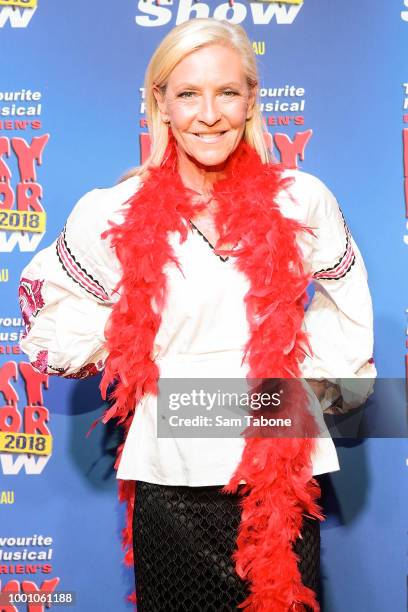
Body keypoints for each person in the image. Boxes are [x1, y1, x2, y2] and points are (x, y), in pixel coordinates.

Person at [18, 18, 375, 612]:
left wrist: (309, 387)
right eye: (188, 93)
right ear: (159, 102)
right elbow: (47, 319)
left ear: (251, 100)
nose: (209, 114)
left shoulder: (301, 198)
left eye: (227, 93)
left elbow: (349, 308)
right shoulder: (117, 210)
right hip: (173, 484)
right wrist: (133, 336)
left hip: (277, 482)